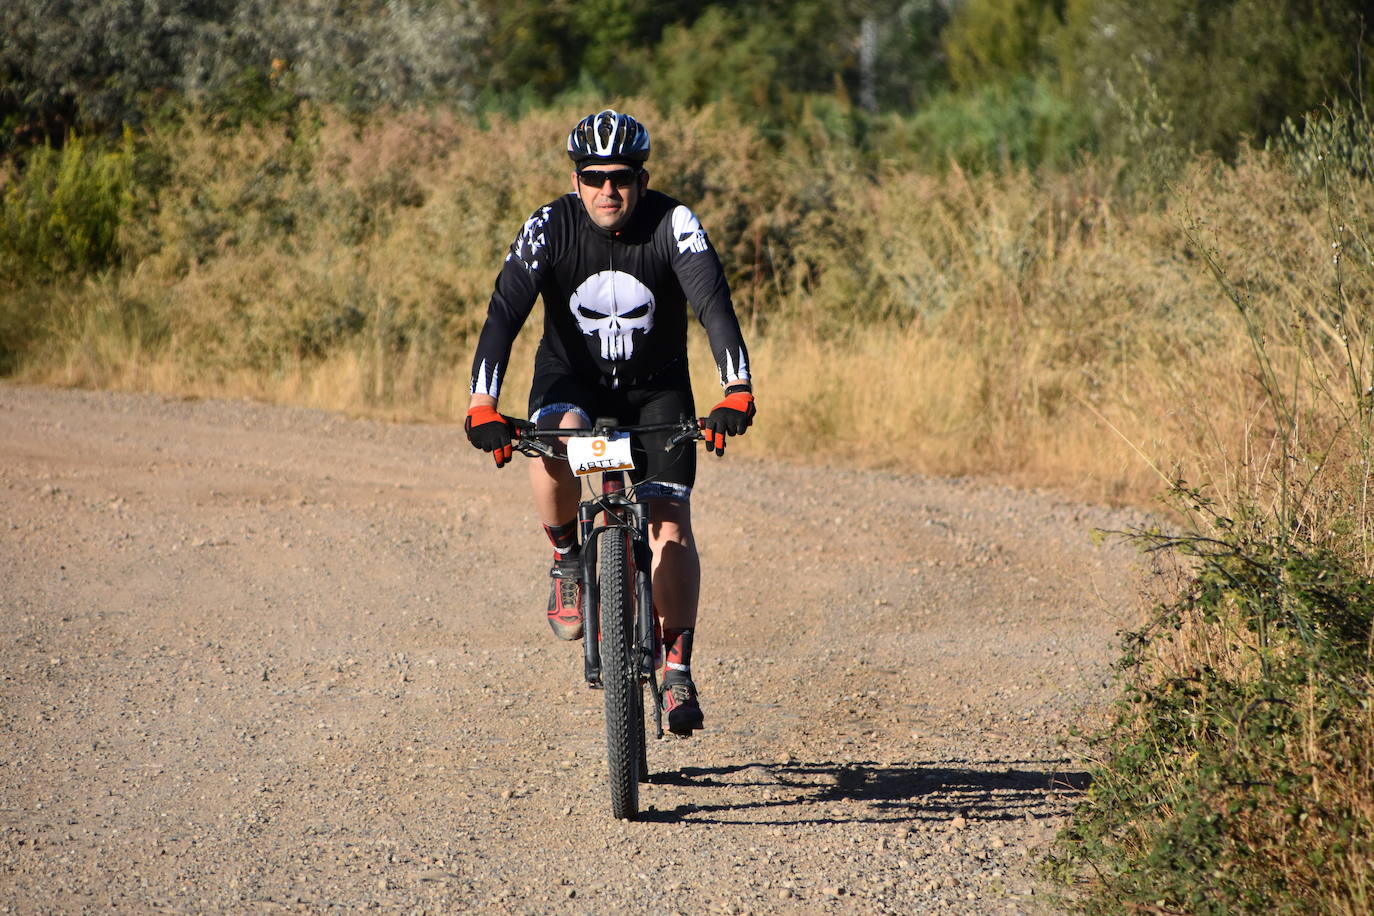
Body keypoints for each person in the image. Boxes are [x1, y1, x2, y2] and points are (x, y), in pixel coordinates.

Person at [463, 109, 755, 736]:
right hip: (574, 386)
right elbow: (504, 313)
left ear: (642, 180)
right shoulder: (549, 226)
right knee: (557, 440)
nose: (608, 191)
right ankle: (568, 557)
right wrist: (481, 402)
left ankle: (676, 668)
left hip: (657, 395)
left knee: (670, 529)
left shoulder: (674, 224)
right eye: (593, 178)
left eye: (621, 177)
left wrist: (737, 390)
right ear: (577, 182)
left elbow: (713, 304)